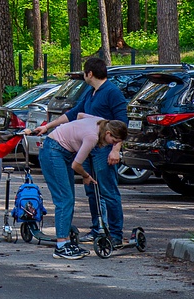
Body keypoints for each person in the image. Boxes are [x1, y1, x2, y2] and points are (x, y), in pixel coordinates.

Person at [33, 57, 128, 244]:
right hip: (88, 147)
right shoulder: (91, 92)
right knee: (91, 189)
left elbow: (122, 124)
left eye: (84, 73)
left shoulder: (112, 92)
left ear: (89, 73)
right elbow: (74, 114)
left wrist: (115, 149)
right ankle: (97, 228)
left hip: (103, 148)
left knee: (108, 191)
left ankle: (116, 234)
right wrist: (48, 126)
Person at [29, 116, 128, 260]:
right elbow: (76, 166)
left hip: (61, 151)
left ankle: (66, 242)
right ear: (108, 134)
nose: (112, 145)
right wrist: (86, 175)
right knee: (64, 199)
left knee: (68, 199)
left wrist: (72, 131)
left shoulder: (101, 121)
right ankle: (61, 246)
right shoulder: (92, 137)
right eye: (114, 142)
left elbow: (80, 115)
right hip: (53, 151)